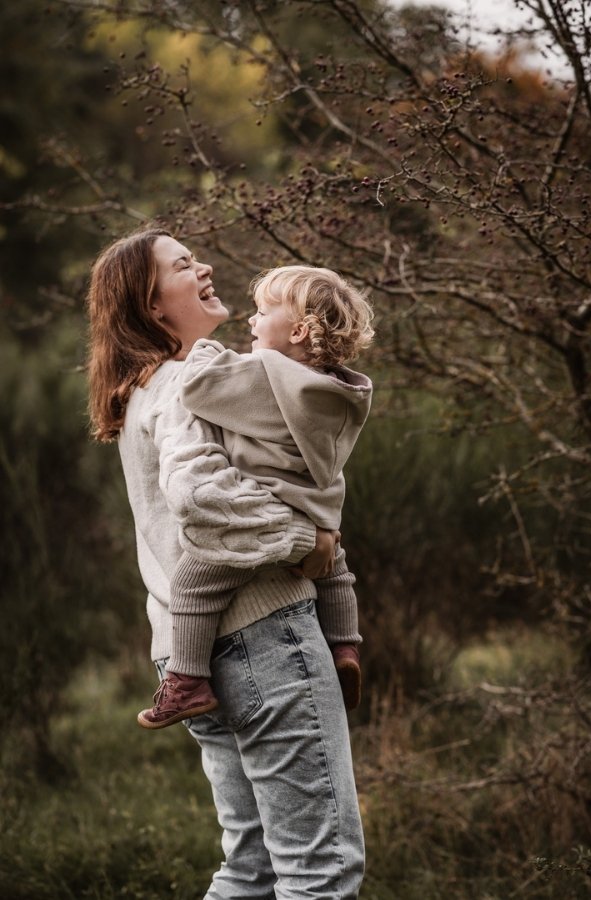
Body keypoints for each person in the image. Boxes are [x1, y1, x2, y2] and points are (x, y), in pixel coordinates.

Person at [87, 225, 365, 898]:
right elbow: (202, 497)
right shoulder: (190, 383)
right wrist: (309, 542)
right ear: (153, 305)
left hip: (189, 648)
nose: (205, 267)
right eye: (184, 265)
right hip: (260, 635)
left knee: (251, 868)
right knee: (320, 871)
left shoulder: (147, 387)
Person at [137, 264, 374, 730]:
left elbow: (201, 387)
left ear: (298, 331)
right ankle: (345, 645)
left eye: (263, 312)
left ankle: (187, 681)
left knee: (193, 585)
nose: (251, 319)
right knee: (336, 571)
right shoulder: (338, 391)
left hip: (259, 514)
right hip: (315, 513)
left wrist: (204, 349)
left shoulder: (271, 377)